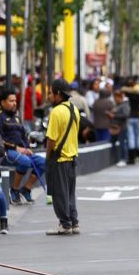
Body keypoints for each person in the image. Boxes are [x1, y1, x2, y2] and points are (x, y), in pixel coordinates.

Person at [0, 89, 46, 204]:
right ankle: (14, 190)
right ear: (2, 102)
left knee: (42, 162)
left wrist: (27, 148)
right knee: (25, 162)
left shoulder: (17, 118)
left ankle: (26, 189)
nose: (14, 103)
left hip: (21, 152)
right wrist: (16, 148)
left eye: (15, 101)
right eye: (11, 101)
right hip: (7, 152)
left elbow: (24, 136)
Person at [45, 79, 81, 236]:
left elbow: (51, 139)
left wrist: (48, 157)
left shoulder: (56, 112)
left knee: (59, 194)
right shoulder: (74, 109)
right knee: (70, 193)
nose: (49, 96)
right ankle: (74, 222)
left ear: (58, 93)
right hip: (72, 158)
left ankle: (65, 224)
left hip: (59, 159)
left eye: (50, 93)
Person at [122, 77, 139, 165]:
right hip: (136, 116)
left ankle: (131, 158)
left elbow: (122, 89)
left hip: (129, 117)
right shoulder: (138, 93)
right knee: (138, 136)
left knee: (131, 137)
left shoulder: (126, 94)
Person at [110, 90, 130, 168]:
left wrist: (114, 116)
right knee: (114, 143)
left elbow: (125, 115)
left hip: (122, 127)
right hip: (115, 127)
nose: (116, 99)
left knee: (122, 144)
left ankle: (123, 159)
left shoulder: (125, 105)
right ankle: (117, 158)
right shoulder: (117, 105)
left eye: (116, 98)